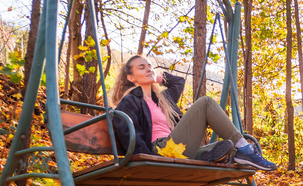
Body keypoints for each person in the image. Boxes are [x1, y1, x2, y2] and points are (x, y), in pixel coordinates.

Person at [109, 54, 277, 171]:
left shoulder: (162, 99)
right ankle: (245, 150)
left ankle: (235, 152)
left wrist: (158, 76)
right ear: (131, 78)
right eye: (141, 68)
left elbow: (178, 82)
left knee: (229, 147)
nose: (148, 69)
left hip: (178, 148)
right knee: (206, 102)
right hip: (161, 150)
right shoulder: (130, 101)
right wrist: (147, 160)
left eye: (150, 66)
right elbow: (130, 133)